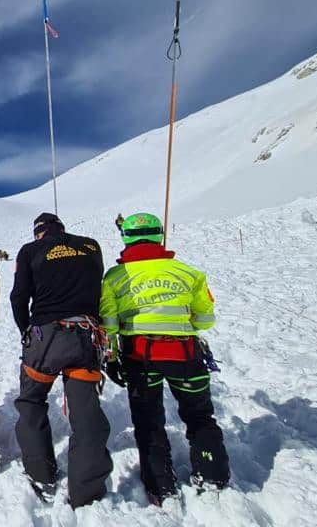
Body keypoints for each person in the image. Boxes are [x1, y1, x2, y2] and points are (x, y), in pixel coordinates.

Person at [100, 213, 229, 504]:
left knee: (149, 421)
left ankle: (160, 485)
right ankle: (212, 473)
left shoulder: (114, 277)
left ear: (126, 238)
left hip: (139, 357)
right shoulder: (189, 273)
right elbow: (206, 319)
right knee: (199, 416)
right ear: (160, 235)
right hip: (186, 354)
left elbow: (108, 323)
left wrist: (112, 355)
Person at [9, 213, 112, 507]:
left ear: (38, 233)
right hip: (85, 336)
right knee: (85, 411)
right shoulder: (91, 246)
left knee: (31, 401)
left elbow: (19, 297)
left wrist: (26, 330)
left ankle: (41, 473)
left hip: (47, 337)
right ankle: (86, 490)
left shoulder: (30, 250)